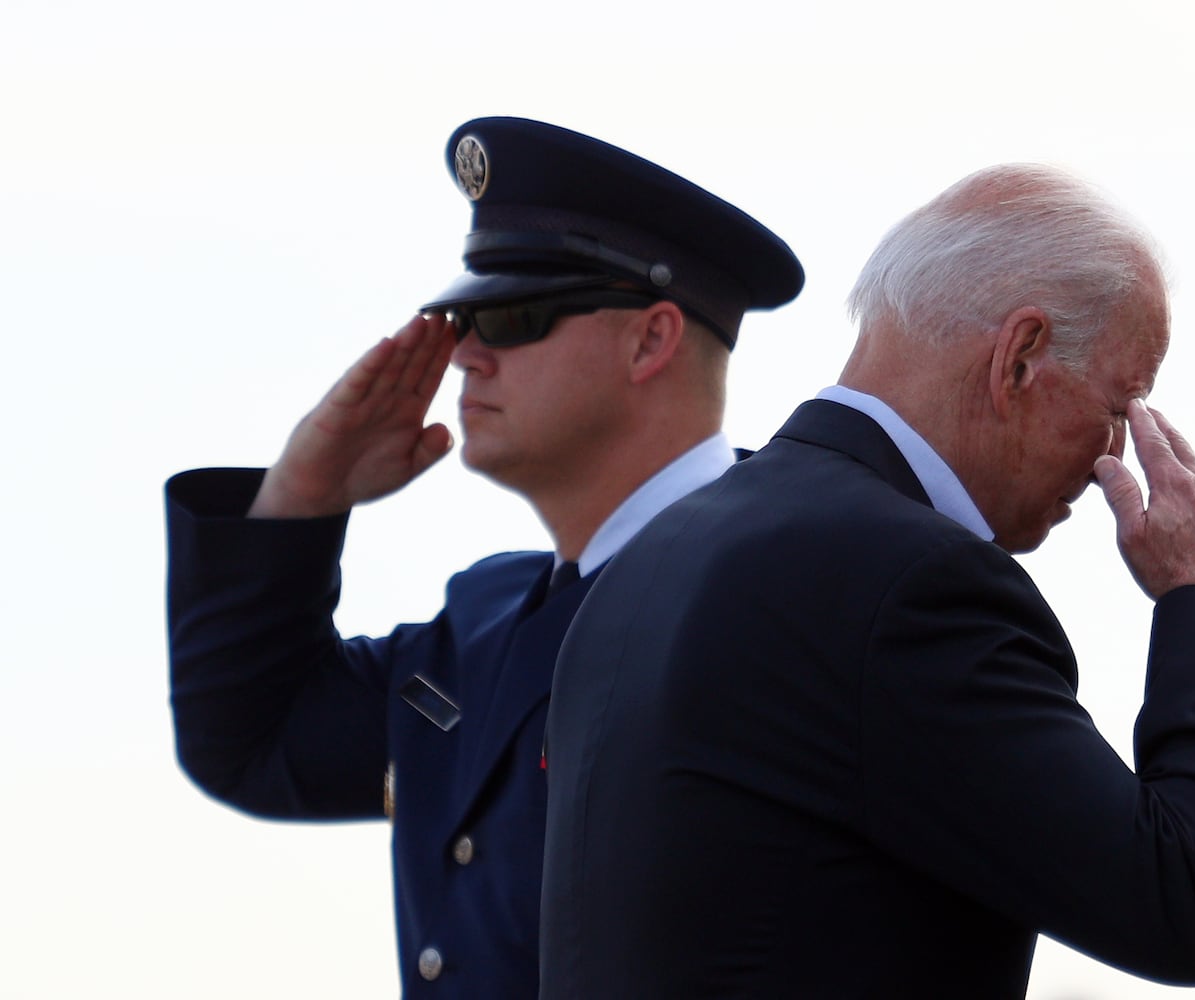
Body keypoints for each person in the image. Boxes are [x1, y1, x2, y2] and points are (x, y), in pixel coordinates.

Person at [540, 163, 1195, 997]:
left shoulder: (651, 557)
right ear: (1021, 356)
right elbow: (1183, 901)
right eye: (1121, 407)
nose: (1114, 457)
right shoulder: (913, 586)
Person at [165, 116, 803, 996]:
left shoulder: (798, 586)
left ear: (651, 341)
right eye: (464, 318)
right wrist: (303, 494)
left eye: (511, 316)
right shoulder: (485, 628)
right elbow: (253, 743)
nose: (464, 355)